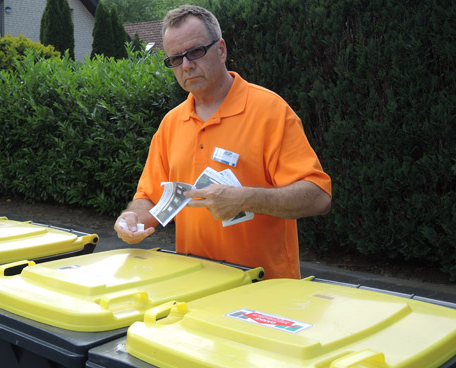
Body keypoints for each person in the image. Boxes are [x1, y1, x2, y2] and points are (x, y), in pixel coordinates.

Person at [113, 5, 332, 279]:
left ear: (222, 50)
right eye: (175, 59)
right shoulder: (171, 123)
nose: (187, 65)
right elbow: (149, 199)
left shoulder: (270, 111)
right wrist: (131, 219)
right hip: (195, 286)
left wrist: (246, 199)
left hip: (265, 291)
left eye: (195, 52)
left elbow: (318, 196)